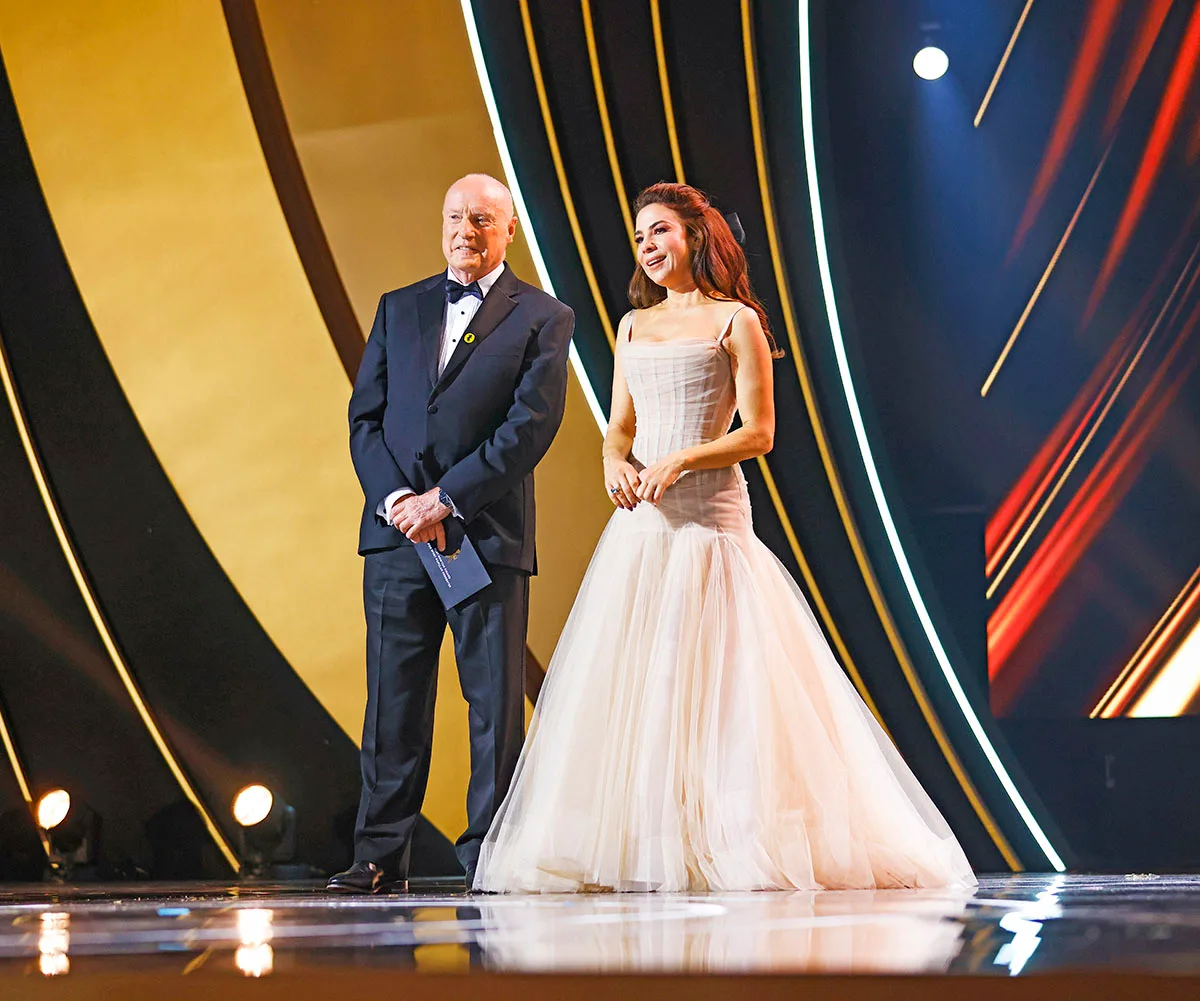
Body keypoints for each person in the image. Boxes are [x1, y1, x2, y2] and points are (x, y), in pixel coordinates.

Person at [474, 183, 976, 892]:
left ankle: (728, 834)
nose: (648, 248)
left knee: (721, 691)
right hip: (644, 533)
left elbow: (760, 432)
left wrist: (680, 457)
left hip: (711, 527)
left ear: (696, 238)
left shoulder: (736, 320)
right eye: (640, 237)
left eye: (661, 233)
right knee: (644, 689)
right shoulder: (631, 326)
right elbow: (620, 424)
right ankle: (651, 842)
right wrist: (615, 459)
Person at [329, 173, 574, 893]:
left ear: (509, 229)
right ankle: (378, 856)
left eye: (482, 219)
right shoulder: (398, 307)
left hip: (483, 537)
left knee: (492, 710)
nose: (466, 230)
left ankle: (489, 860)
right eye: (455, 217)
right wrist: (402, 498)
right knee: (392, 703)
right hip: (399, 538)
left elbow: (528, 428)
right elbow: (364, 420)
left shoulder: (543, 316)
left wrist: (447, 498)